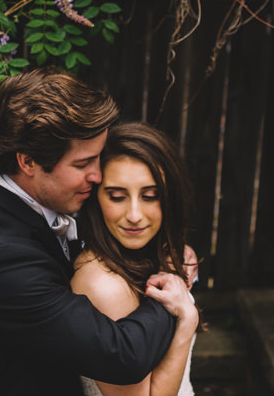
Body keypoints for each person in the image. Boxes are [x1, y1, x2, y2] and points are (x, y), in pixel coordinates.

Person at [0, 68, 198, 395]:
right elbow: (123, 356)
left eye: (99, 159)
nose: (97, 174)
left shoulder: (51, 209)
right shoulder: (1, 258)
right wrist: (171, 288)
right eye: (83, 164)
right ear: (29, 162)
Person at [72, 122, 198, 396]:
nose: (134, 214)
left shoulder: (158, 253)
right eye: (116, 196)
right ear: (96, 198)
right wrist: (187, 319)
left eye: (150, 196)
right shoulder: (105, 287)